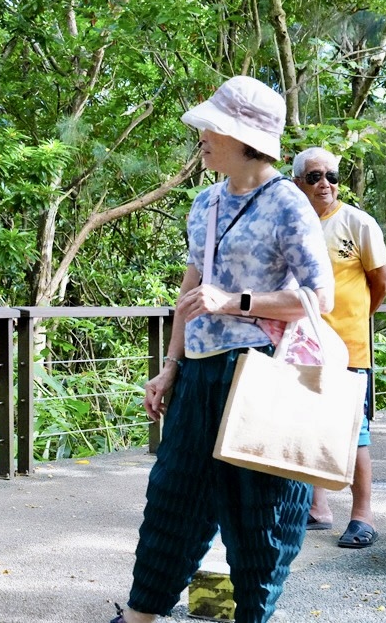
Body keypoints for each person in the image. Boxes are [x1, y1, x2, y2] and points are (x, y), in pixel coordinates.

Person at [111, 76, 335, 623]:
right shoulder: (205, 202)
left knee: (261, 513)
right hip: (198, 374)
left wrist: (235, 302)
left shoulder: (287, 203)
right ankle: (140, 615)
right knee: (173, 497)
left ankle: (254, 616)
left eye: (213, 127)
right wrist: (170, 366)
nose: (203, 136)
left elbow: (320, 297)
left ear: (243, 137)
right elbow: (189, 293)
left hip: (258, 372)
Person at [292, 146, 386, 549]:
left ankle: (363, 516)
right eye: (315, 176)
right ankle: (318, 508)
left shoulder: (357, 223)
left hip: (348, 348)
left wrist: (354, 319)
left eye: (331, 176)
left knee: (354, 433)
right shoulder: (293, 224)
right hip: (301, 347)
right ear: (297, 182)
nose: (325, 184)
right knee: (306, 425)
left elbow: (381, 282)